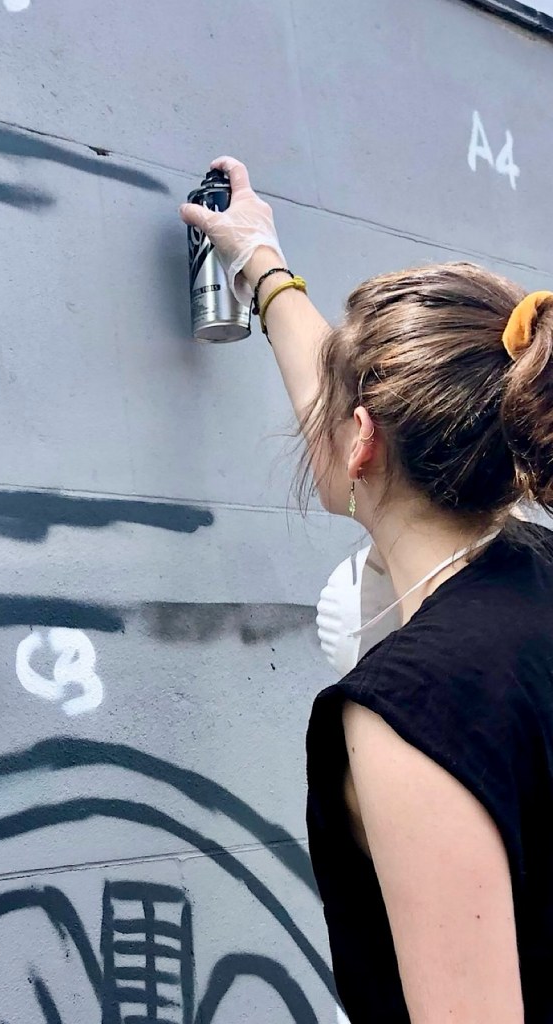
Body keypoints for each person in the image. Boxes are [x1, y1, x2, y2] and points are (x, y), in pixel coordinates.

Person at [179, 157, 553, 1024]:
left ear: (360, 442)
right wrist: (263, 265)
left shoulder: (411, 717)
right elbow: (347, 398)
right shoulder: (530, 580)